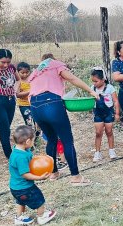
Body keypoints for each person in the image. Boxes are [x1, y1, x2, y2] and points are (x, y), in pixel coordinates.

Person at [28, 53, 98, 183]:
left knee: (51, 139)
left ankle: (53, 173)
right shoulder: (55, 65)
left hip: (35, 107)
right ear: (53, 60)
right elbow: (73, 79)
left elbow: (30, 94)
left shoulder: (36, 72)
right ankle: (76, 176)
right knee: (67, 140)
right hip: (51, 103)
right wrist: (91, 91)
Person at [9, 125, 56, 225]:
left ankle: (19, 218)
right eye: (33, 140)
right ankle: (42, 216)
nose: (33, 143)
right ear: (27, 142)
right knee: (39, 199)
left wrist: (46, 159)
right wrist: (39, 177)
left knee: (20, 201)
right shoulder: (20, 157)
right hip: (24, 188)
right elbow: (25, 175)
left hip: (15, 187)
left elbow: (33, 161)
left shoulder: (19, 150)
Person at [90, 67, 120, 162]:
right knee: (98, 133)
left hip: (108, 113)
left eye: (96, 81)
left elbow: (115, 101)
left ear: (103, 80)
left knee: (109, 132)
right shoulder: (92, 88)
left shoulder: (110, 88)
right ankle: (97, 153)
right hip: (98, 113)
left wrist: (117, 113)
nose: (94, 83)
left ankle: (111, 151)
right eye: (93, 81)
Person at [15, 62, 40, 136]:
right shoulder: (19, 82)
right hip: (24, 105)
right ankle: (30, 140)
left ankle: (36, 138)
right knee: (29, 122)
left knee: (38, 122)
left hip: (34, 104)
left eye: (27, 72)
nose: (25, 74)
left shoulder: (32, 79)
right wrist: (29, 92)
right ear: (18, 72)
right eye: (22, 73)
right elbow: (17, 94)